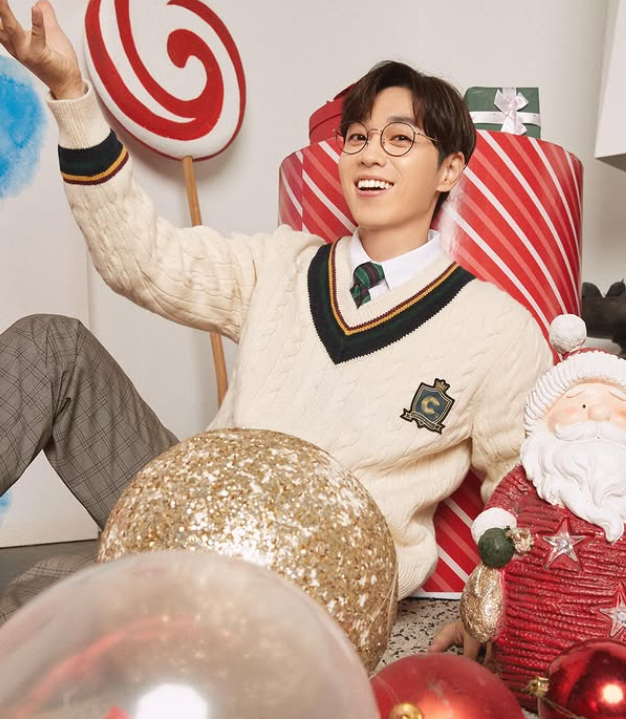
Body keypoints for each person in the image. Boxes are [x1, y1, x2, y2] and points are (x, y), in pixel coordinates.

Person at [0, 0, 552, 621]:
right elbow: (140, 259)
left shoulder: (497, 329)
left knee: (52, 605)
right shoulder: (279, 264)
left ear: (450, 169)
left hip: (318, 580)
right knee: (52, 345)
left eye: (399, 139)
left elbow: (525, 495)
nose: (370, 155)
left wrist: (493, 615)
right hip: (193, 516)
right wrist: (70, 91)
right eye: (357, 137)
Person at [461, 313, 626, 704]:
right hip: (525, 643)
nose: (598, 415)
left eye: (616, 405)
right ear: (545, 418)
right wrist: (495, 537)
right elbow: (496, 519)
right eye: (580, 403)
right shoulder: (529, 476)